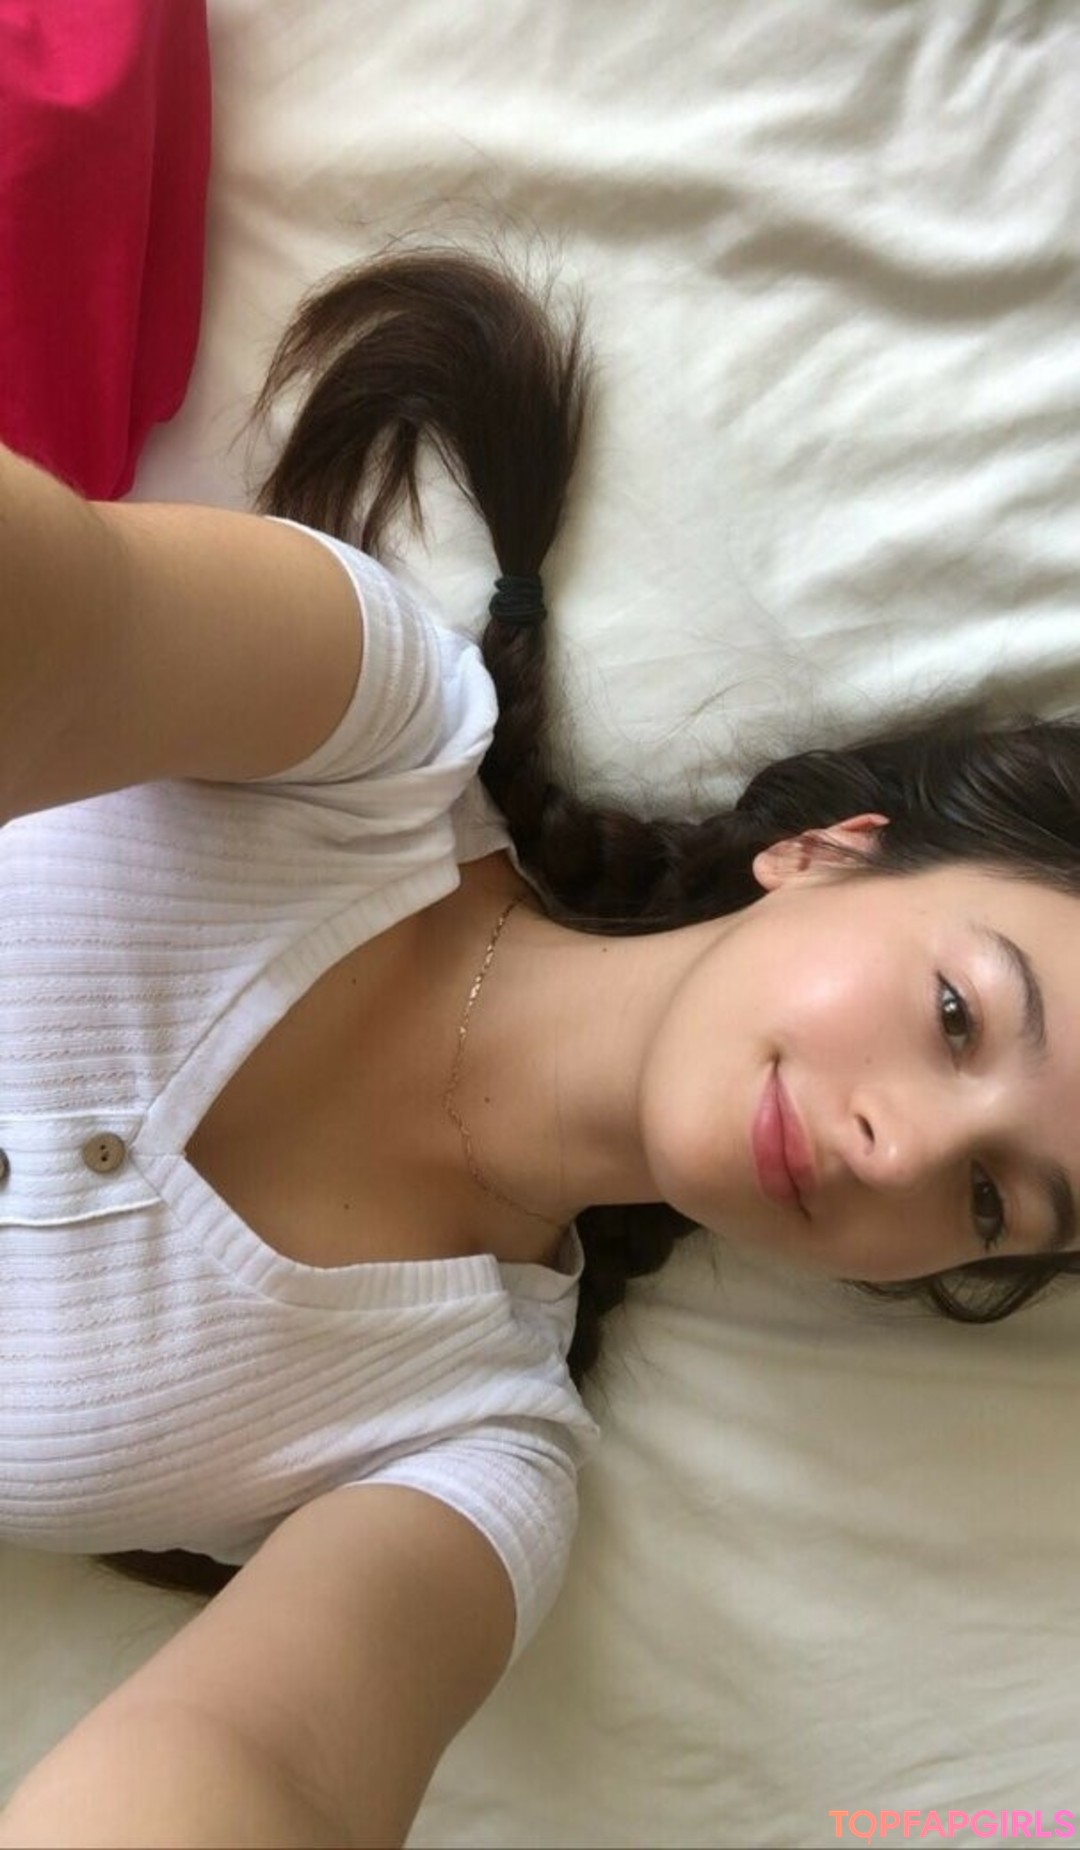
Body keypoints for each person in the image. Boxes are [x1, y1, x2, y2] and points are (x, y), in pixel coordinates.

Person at [2, 248, 1079, 1849]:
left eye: (990, 1199)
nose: (905, 1147)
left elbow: (262, 1766)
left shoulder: (478, 1457)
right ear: (828, 850)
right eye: (957, 1017)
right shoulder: (369, 728)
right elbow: (69, 616)